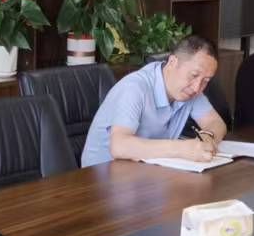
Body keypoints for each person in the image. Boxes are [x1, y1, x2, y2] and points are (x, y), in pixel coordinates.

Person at [80, 33, 229, 166]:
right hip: (101, 178)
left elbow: (216, 123)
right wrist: (181, 149)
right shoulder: (134, 88)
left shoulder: (190, 91)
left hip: (145, 172)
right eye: (194, 75)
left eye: (206, 81)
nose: (197, 87)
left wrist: (208, 137)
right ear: (172, 62)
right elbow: (119, 146)